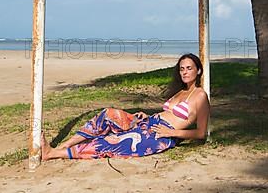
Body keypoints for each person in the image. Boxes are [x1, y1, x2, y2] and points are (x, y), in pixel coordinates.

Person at [41, 53, 210, 160]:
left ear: (199, 71)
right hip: (149, 123)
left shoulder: (200, 96)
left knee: (108, 142)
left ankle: (53, 153)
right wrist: (148, 116)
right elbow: (169, 113)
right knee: (108, 114)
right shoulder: (180, 92)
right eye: (182, 69)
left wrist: (172, 133)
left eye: (189, 68)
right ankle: (66, 145)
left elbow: (201, 133)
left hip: (160, 136)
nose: (185, 72)